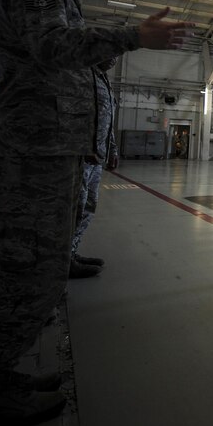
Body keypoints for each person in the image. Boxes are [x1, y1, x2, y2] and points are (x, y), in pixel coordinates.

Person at [0, 0, 193, 426]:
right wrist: (131, 35)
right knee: (28, 269)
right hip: (32, 149)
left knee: (37, 266)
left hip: (49, 148)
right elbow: (52, 48)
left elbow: (69, 58)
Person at [69, 58, 118, 279]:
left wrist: (113, 150)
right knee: (73, 210)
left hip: (97, 157)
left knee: (88, 208)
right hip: (80, 156)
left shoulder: (103, 79)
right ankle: (60, 261)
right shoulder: (79, 72)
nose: (113, 60)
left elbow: (107, 120)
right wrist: (80, 143)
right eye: (110, 54)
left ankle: (70, 252)